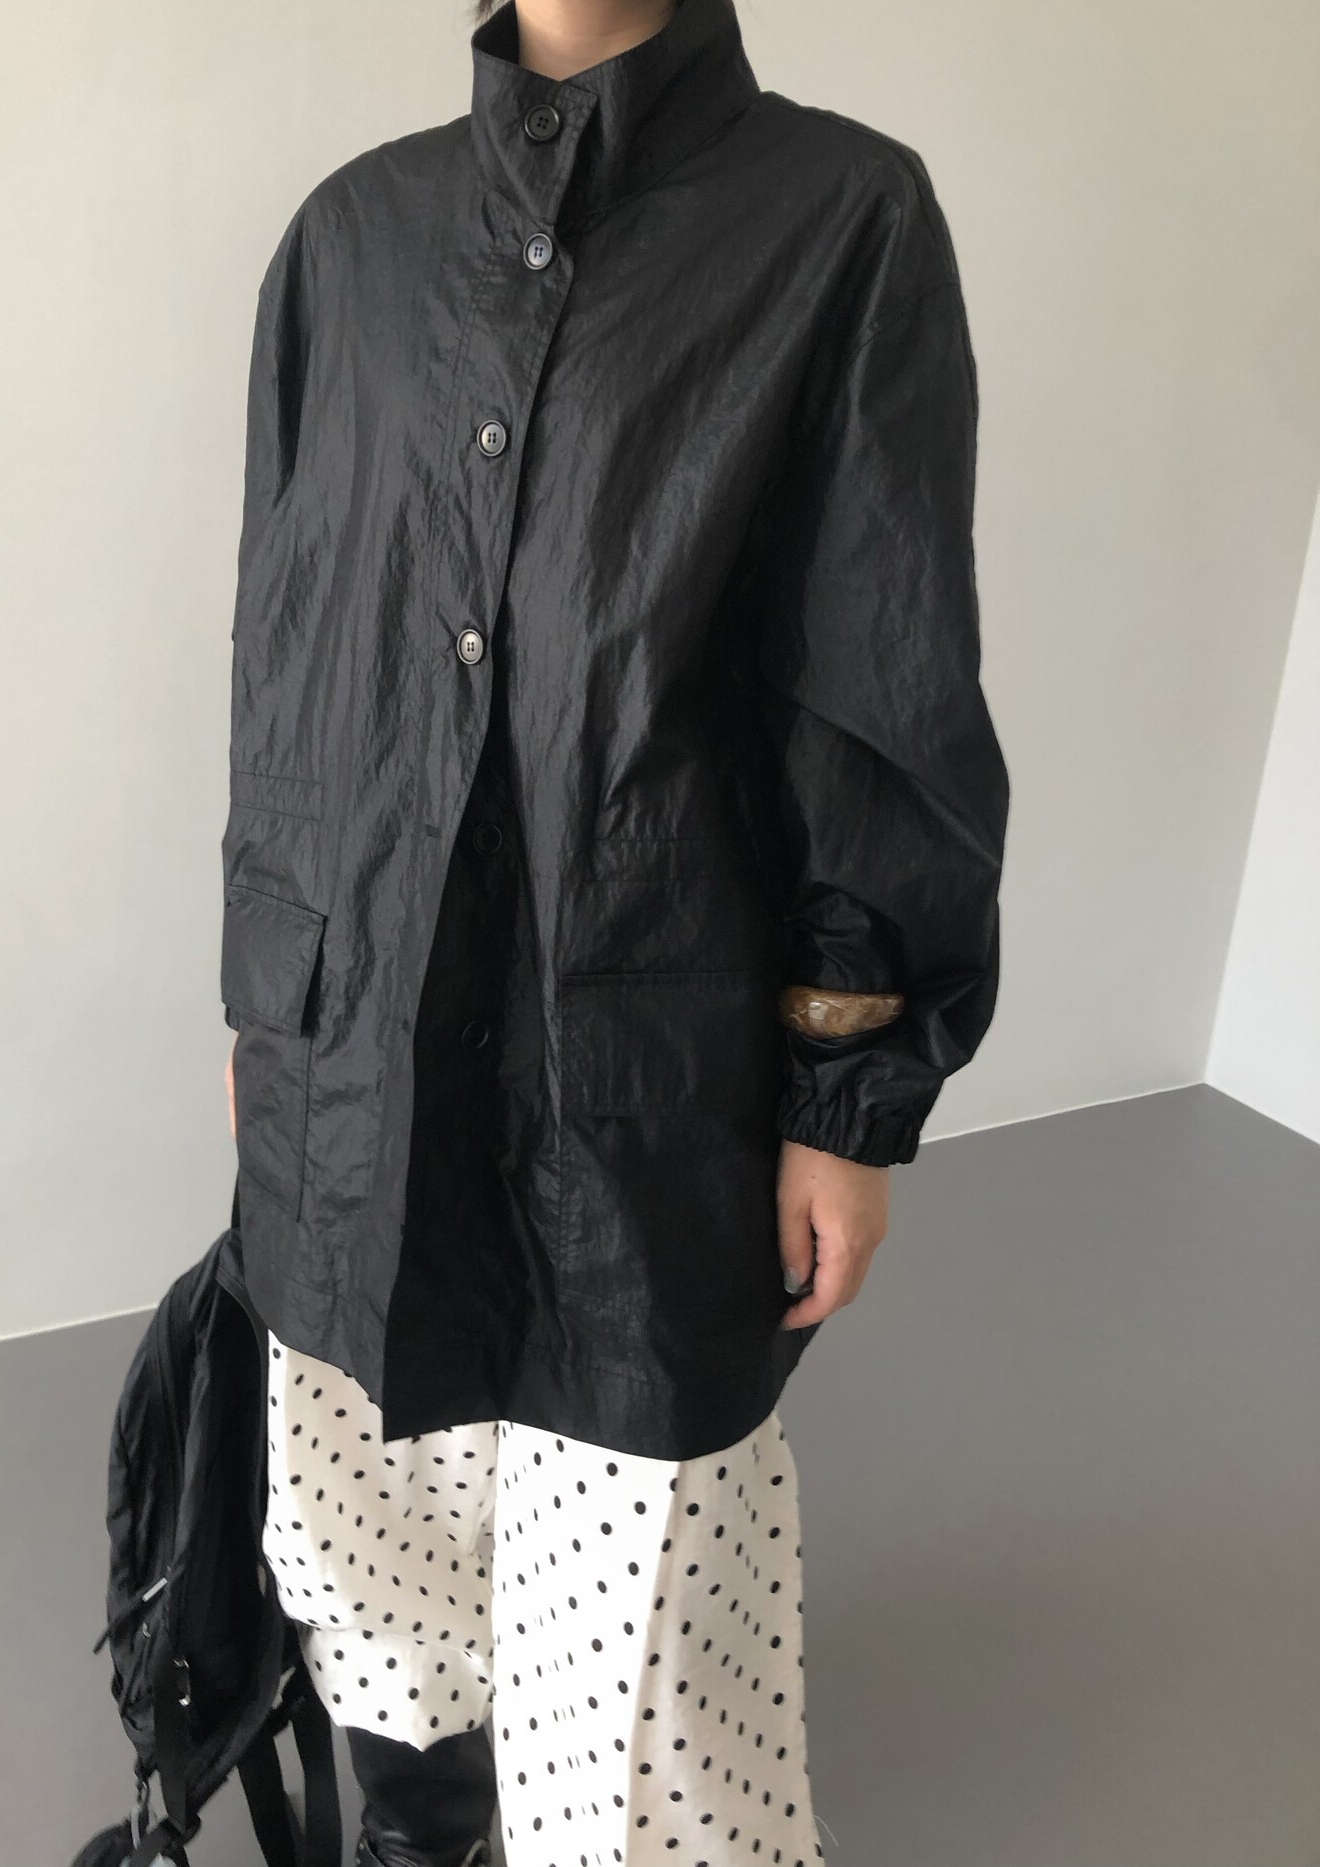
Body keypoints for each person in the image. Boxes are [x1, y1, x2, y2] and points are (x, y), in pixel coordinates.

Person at [219, 0, 1010, 1860]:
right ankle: (420, 1830)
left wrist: (848, 1093)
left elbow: (878, 679)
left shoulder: (843, 218)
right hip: (357, 1032)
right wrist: (266, 1008)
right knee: (371, 1527)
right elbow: (288, 659)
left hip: (651, 1059)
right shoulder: (350, 240)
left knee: (643, 1574)